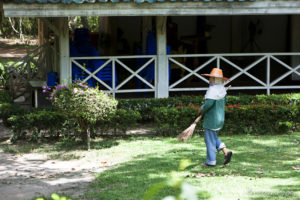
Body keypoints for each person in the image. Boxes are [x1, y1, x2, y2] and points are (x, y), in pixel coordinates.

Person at [198, 68, 232, 166]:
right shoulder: (222, 90)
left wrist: (201, 109)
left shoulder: (212, 90)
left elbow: (208, 104)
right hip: (220, 119)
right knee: (213, 137)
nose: (210, 80)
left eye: (212, 78)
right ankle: (226, 152)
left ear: (216, 80)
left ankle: (211, 162)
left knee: (209, 141)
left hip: (212, 120)